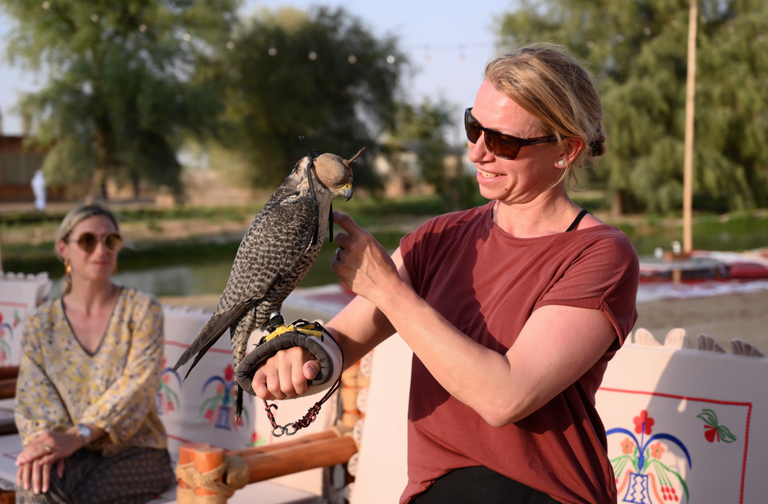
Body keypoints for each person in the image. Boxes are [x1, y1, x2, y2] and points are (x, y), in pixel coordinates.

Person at [252, 43, 639, 504]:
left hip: (546, 494)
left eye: (503, 141)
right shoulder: (438, 237)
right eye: (473, 128)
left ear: (566, 150)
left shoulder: (599, 255)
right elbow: (339, 342)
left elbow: (506, 397)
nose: (477, 153)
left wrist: (391, 292)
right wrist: (295, 360)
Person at [14, 203, 174, 502]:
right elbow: (34, 395)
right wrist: (48, 445)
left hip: (138, 453)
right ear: (64, 248)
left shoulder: (141, 310)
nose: (101, 250)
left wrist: (76, 437)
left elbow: (138, 387)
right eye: (88, 241)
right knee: (37, 487)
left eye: (110, 240)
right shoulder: (41, 323)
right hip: (72, 451)